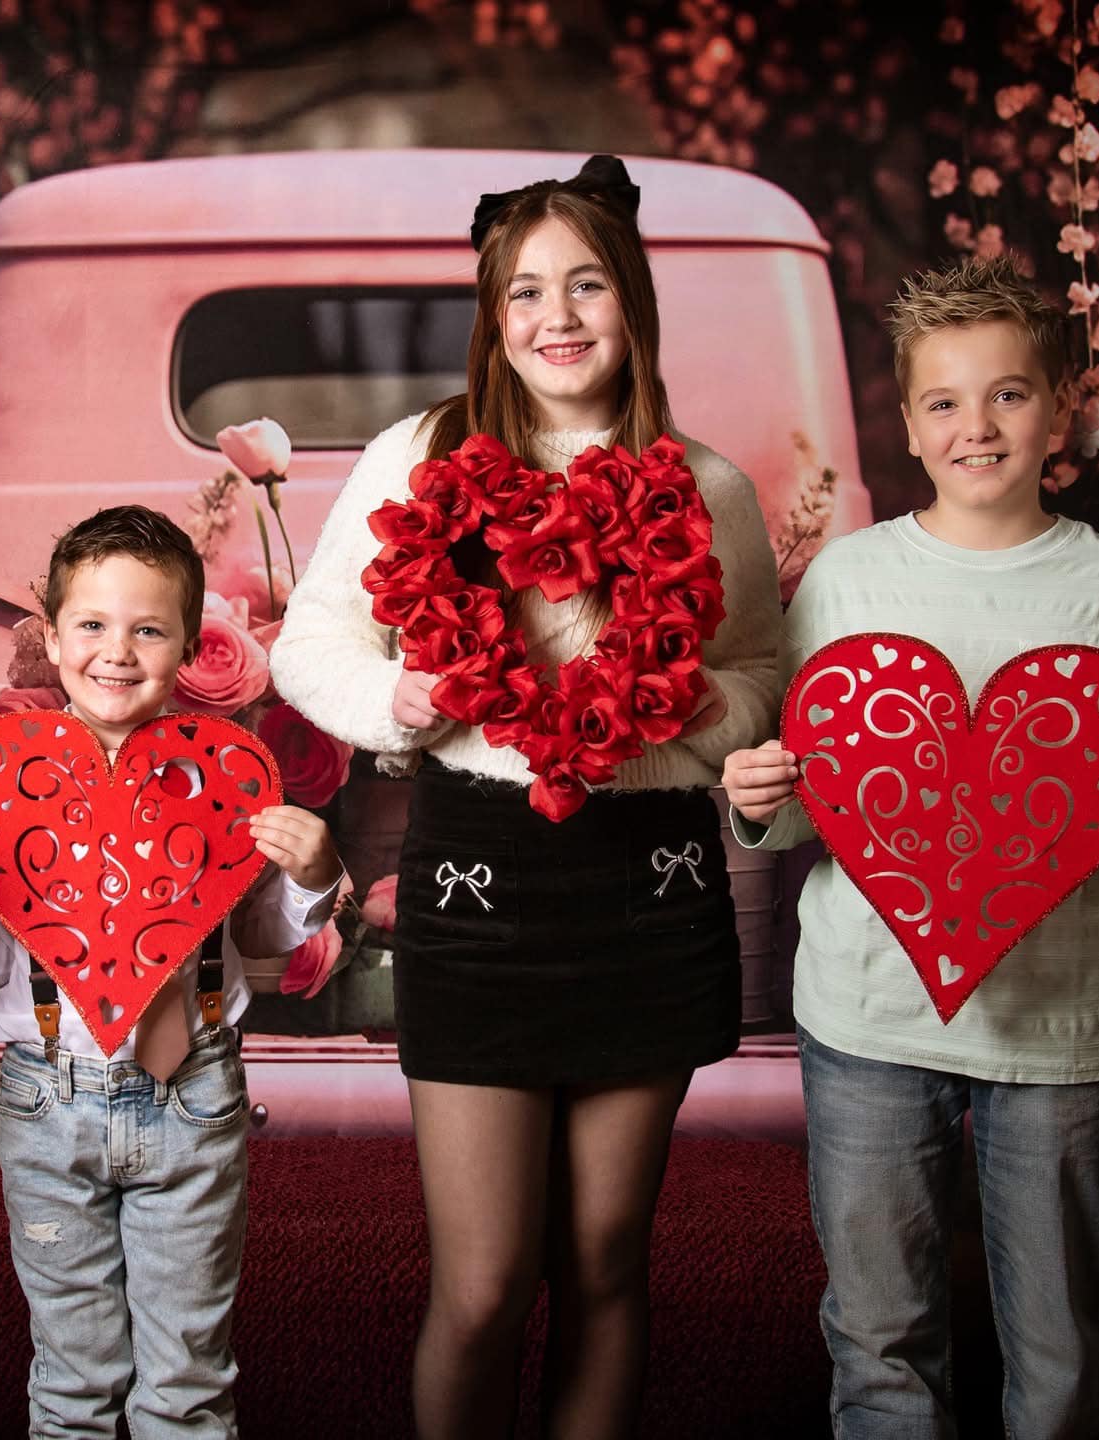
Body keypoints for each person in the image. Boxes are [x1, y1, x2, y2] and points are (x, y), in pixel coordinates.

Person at [269, 155, 783, 1439]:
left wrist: (701, 704)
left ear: (635, 304)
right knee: (488, 1280)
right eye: (526, 293)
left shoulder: (709, 484)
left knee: (607, 1262)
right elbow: (306, 648)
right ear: (494, 319)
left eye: (588, 285)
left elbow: (766, 674)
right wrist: (398, 701)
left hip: (649, 892)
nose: (558, 317)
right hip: (480, 888)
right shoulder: (420, 455)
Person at [723, 254, 1099, 1439]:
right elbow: (806, 803)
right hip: (868, 1015)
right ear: (906, 422)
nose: (978, 425)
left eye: (1009, 394)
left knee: (1061, 1344)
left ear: (1062, 406)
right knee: (879, 1335)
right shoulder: (849, 579)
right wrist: (755, 796)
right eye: (946, 401)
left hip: (1063, 1025)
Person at [0, 504, 343, 1438]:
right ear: (53, 639)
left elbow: (258, 930)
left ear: (189, 645)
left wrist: (312, 876)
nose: (118, 650)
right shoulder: (11, 787)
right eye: (93, 625)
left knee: (186, 1380)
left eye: (148, 629)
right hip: (50, 1098)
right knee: (73, 1377)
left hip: (194, 1096)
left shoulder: (224, 775)